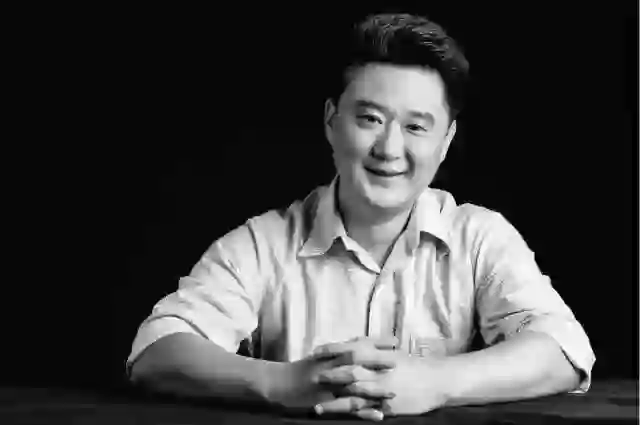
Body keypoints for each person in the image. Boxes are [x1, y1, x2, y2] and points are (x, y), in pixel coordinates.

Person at [126, 13, 595, 421]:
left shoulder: (480, 237)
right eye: (370, 119)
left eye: (416, 126)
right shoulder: (262, 243)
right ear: (332, 121)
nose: (389, 148)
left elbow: (563, 348)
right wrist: (282, 383)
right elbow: (156, 349)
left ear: (446, 141)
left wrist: (437, 382)